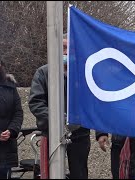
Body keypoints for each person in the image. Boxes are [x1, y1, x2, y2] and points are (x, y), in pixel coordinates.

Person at [29, 33, 91, 179]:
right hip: (51, 132)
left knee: (79, 173)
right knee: (51, 173)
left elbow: (92, 102)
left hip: (79, 133)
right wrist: (58, 118)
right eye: (63, 47)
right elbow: (36, 102)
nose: (66, 52)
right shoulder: (43, 73)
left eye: (69, 48)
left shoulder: (83, 73)